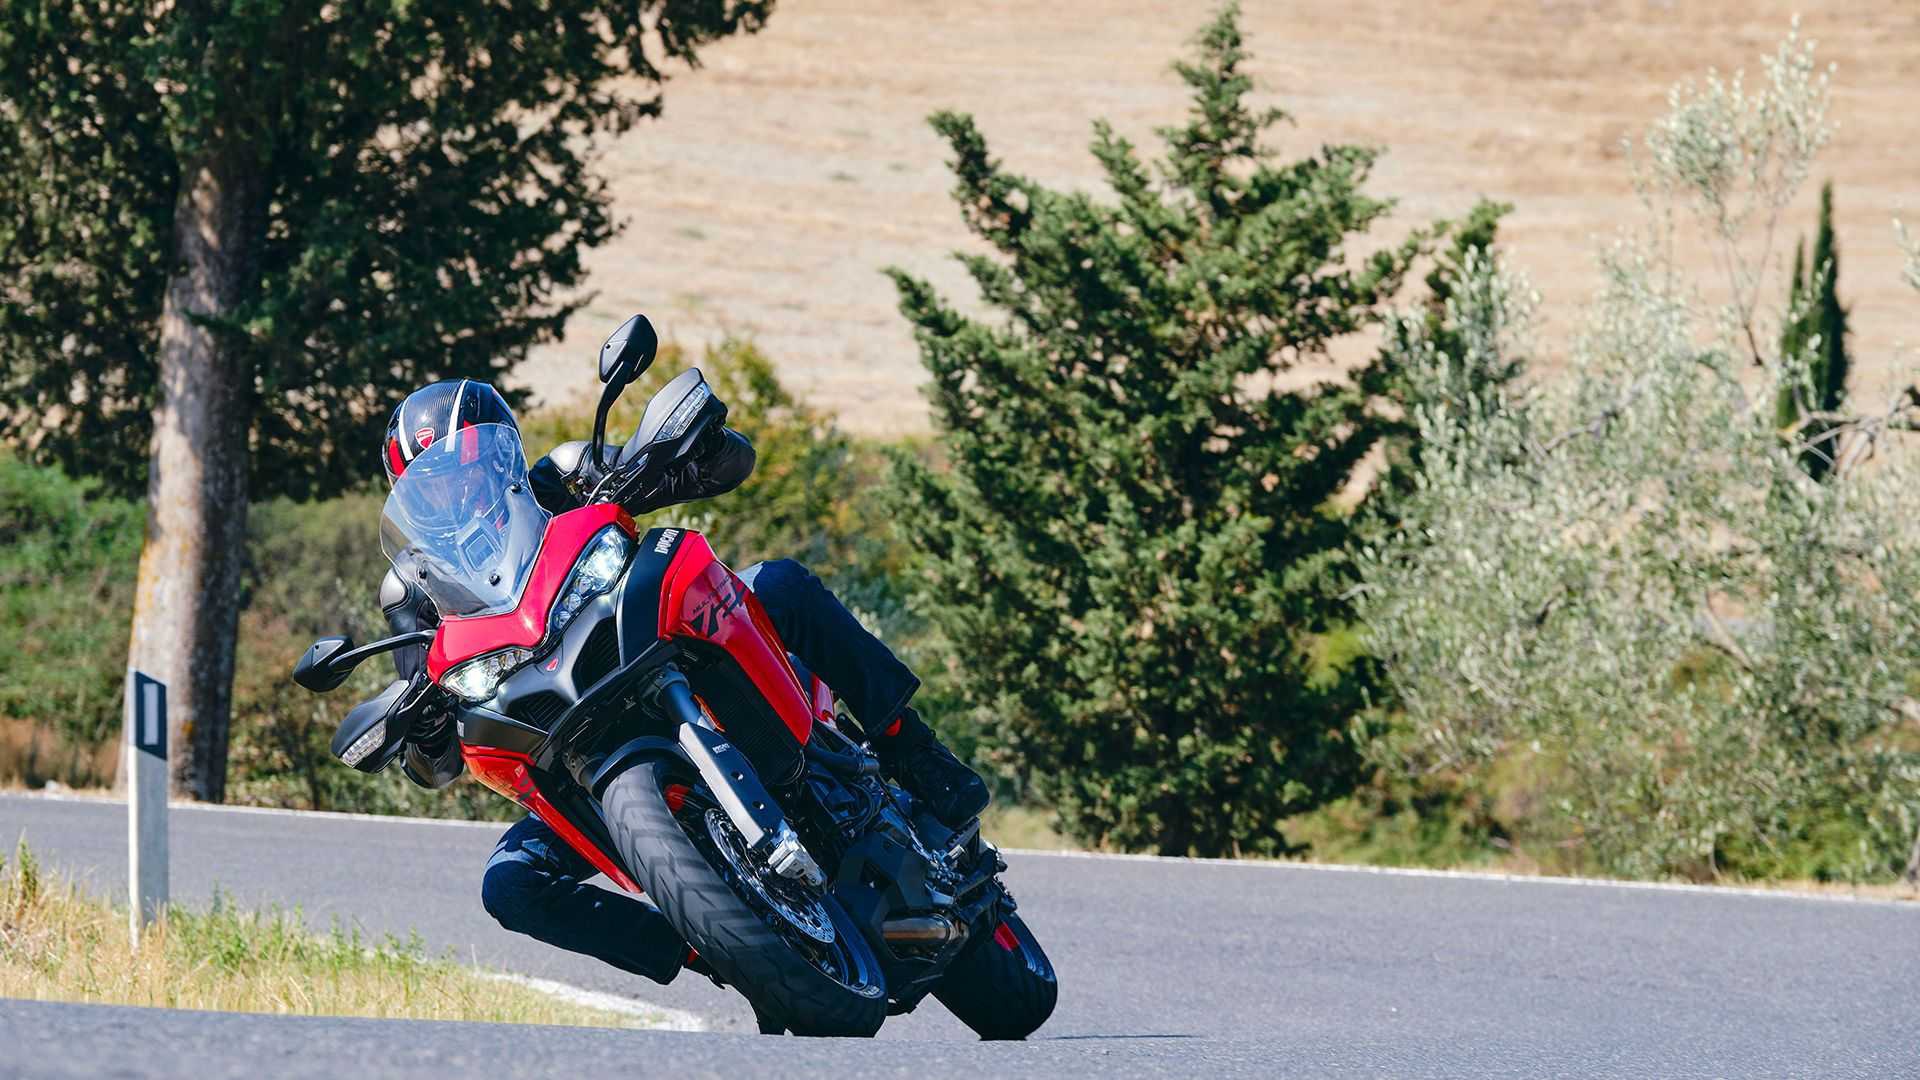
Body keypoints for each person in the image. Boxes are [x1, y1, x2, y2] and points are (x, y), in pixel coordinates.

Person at [373, 377, 987, 986]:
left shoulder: (556, 479)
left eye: (463, 464)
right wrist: (423, 728)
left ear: (499, 449)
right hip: (564, 746)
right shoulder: (411, 590)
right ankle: (717, 949)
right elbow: (436, 763)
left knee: (779, 584)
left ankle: (915, 751)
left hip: (644, 649)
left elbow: (730, 464)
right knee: (510, 883)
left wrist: (684, 451)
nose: (454, 487)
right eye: (433, 480)